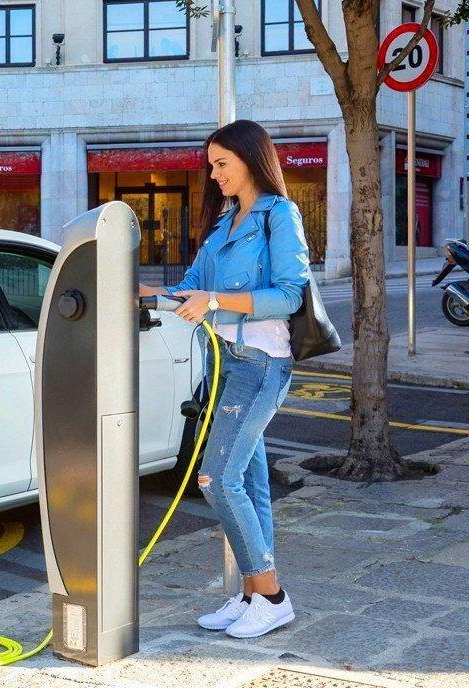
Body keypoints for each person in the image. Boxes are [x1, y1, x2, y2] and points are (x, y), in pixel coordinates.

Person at [139, 119, 309, 639]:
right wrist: (146, 293)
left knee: (216, 480)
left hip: (260, 363)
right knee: (251, 483)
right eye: (210, 166)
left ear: (251, 160)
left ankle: (273, 595)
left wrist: (215, 302)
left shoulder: (278, 216)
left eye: (222, 164)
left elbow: (289, 296)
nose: (213, 175)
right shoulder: (223, 224)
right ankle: (251, 595)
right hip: (224, 364)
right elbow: (191, 284)